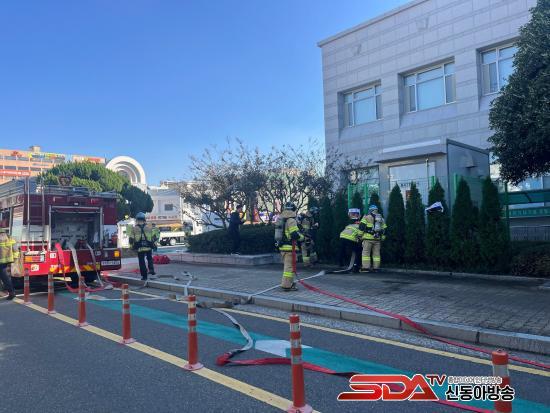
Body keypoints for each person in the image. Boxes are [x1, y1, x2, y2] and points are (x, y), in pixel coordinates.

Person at [277, 202, 304, 291]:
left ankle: (289, 283)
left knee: (288, 267)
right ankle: (287, 285)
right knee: (289, 268)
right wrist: (302, 237)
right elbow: (294, 234)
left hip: (283, 247)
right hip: (289, 248)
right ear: (293, 209)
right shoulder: (291, 220)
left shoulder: (282, 219)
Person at [359, 205, 387, 273]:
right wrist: (382, 237)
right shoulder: (381, 218)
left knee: (366, 253)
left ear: (370, 210)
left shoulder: (366, 217)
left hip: (367, 239)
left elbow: (361, 227)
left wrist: (359, 235)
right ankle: (376, 268)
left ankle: (366, 268)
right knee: (376, 254)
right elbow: (384, 229)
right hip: (377, 239)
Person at [129, 212, 156, 280]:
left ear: (137, 220)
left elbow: (131, 239)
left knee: (142, 262)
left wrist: (131, 247)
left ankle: (144, 276)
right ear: (144, 219)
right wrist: (154, 245)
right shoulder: (149, 227)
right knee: (149, 258)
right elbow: (154, 237)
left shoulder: (134, 229)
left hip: (140, 248)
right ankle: (151, 269)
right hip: (148, 247)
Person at [338, 208, 363, 273]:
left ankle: (340, 263)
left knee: (342, 250)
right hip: (350, 238)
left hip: (342, 236)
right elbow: (360, 234)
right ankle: (355, 265)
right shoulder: (360, 225)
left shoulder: (350, 224)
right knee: (357, 251)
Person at [0, 228, 19, 300]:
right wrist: (15, 258)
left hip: (1, 261)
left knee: (5, 278)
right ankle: (11, 293)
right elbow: (16, 250)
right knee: (6, 278)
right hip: (8, 261)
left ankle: (12, 293)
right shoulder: (10, 238)